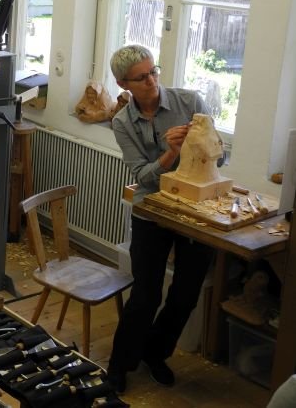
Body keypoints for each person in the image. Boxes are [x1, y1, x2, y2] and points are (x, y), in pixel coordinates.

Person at [106, 44, 216, 393]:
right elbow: (142, 175)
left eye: (154, 71)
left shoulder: (190, 102)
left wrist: (199, 146)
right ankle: (119, 363)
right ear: (125, 84)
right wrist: (172, 152)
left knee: (186, 293)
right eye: (142, 78)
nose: (152, 80)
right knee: (146, 294)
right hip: (151, 207)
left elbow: (218, 158)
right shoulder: (122, 122)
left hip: (193, 208)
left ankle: (155, 353)